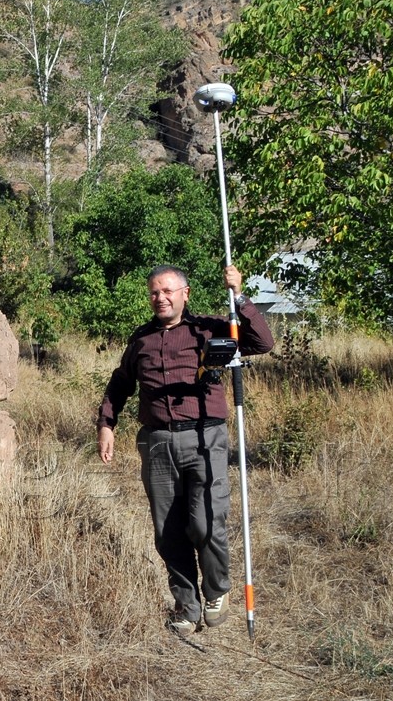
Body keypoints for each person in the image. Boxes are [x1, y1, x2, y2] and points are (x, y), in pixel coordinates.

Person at [97, 264, 274, 633]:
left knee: (206, 521)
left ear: (185, 294)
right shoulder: (142, 338)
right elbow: (121, 382)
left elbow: (261, 343)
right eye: (154, 293)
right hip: (157, 441)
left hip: (204, 436)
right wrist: (106, 423)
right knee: (168, 530)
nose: (160, 298)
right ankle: (186, 606)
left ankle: (216, 589)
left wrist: (239, 296)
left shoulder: (209, 328)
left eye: (167, 291)